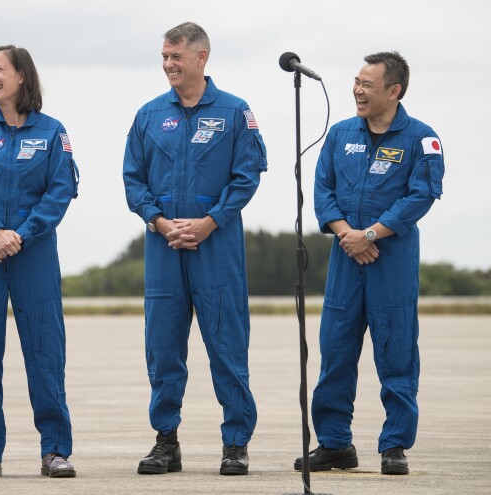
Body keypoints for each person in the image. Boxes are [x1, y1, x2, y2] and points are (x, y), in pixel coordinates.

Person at [122, 22, 267, 476]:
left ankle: (236, 443)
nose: (168, 64)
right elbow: (133, 180)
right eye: (164, 57)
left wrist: (210, 223)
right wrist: (160, 221)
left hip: (216, 247)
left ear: (201, 57)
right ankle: (166, 442)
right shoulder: (148, 116)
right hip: (163, 247)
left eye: (176, 57)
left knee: (227, 346)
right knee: (163, 348)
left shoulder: (233, 112)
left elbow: (247, 176)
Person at [294, 51, 444, 476]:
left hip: (390, 259)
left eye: (367, 84)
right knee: (335, 351)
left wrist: (372, 234)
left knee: (396, 353)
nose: (357, 90)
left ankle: (394, 445)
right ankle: (335, 444)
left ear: (393, 91)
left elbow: (421, 195)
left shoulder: (421, 138)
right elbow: (323, 190)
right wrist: (348, 235)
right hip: (346, 258)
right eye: (356, 82)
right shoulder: (340, 134)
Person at [0, 45, 80, 480]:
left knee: (46, 351)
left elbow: (61, 191)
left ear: (22, 75)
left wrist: (19, 236)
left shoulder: (52, 132)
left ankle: (55, 451)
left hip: (35, 250)